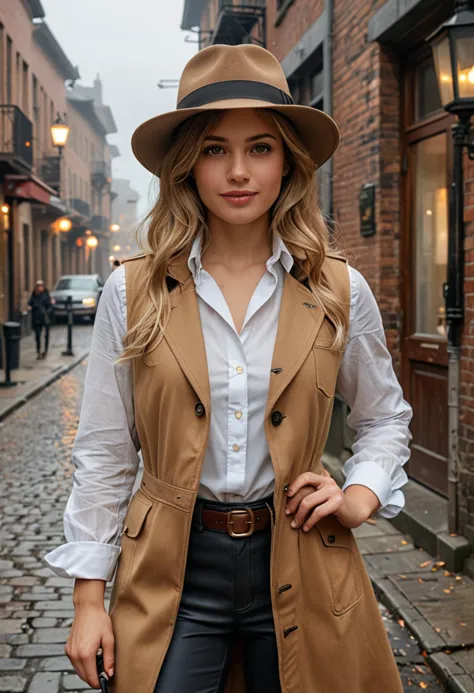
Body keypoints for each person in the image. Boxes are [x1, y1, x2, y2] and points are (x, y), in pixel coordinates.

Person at [43, 44, 413, 693]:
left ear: (287, 161)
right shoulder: (132, 293)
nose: (238, 171)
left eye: (260, 148)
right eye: (215, 149)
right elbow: (103, 453)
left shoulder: (338, 288)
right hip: (173, 571)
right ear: (187, 163)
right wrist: (86, 600)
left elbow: (384, 417)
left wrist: (360, 494)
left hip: (302, 554)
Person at [28, 279, 52, 359]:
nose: (40, 288)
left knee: (46, 336)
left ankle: (45, 351)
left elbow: (50, 306)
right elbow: (30, 303)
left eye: (41, 286)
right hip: (36, 318)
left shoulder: (46, 295)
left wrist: (47, 312)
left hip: (45, 318)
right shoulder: (34, 295)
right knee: (37, 335)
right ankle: (38, 351)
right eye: (38, 286)